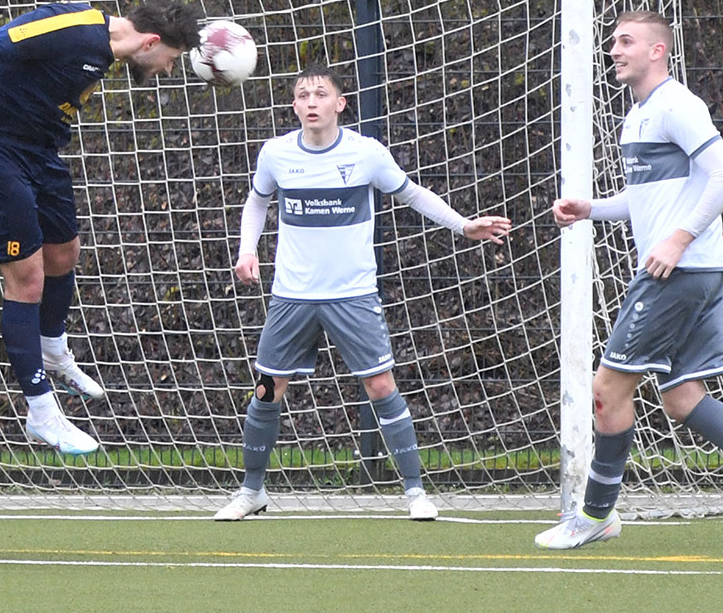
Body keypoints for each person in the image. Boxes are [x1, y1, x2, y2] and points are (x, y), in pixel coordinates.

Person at [213, 64, 511, 522]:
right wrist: (246, 250)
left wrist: (464, 225)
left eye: (319, 94)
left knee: (380, 385)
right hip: (292, 294)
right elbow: (257, 201)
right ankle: (251, 491)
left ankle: (415, 492)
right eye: (301, 95)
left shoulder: (366, 153)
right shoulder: (275, 154)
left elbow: (413, 195)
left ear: (340, 103)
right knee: (268, 389)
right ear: (294, 107)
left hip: (352, 293)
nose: (310, 102)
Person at [0, 0, 202, 455]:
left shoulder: (106, 53)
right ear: (150, 43)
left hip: (40, 154)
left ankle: (53, 349)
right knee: (28, 280)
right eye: (170, 61)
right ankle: (41, 411)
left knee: (64, 253)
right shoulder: (75, 29)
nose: (167, 71)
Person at [535, 11, 723, 549]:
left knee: (607, 389)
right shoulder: (638, 115)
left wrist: (678, 238)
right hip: (696, 271)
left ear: (657, 51)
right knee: (682, 397)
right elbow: (648, 198)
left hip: (678, 270)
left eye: (626, 41)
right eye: (613, 42)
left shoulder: (678, 105)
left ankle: (595, 517)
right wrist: (592, 208)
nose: (615, 50)